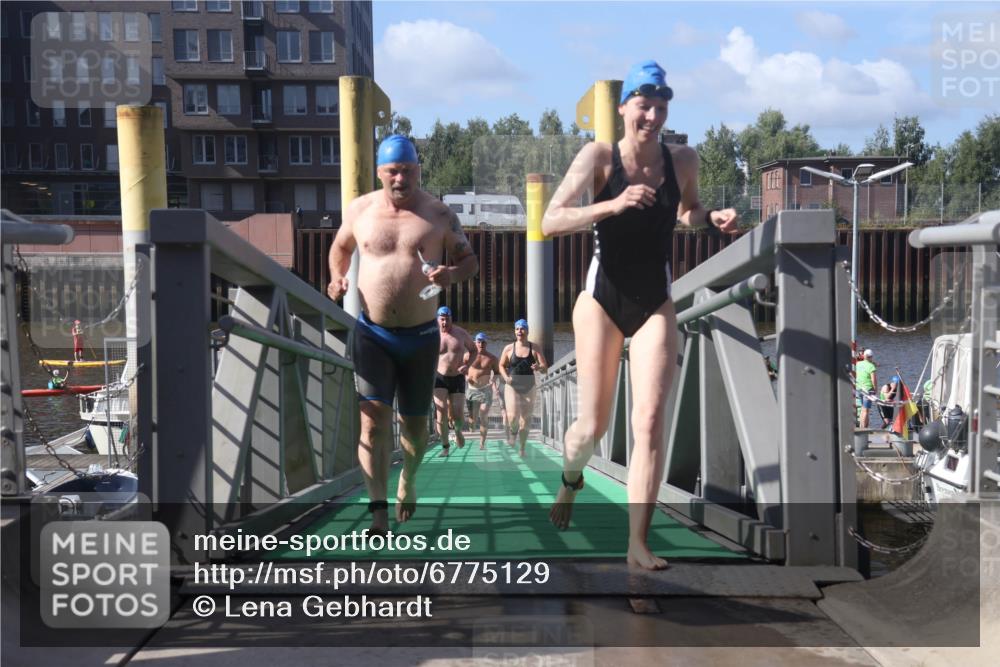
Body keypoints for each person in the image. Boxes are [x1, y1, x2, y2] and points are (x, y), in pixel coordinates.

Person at [540, 60, 740, 570]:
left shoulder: (683, 159)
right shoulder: (599, 157)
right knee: (591, 426)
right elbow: (550, 219)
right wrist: (612, 204)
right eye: (644, 106)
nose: (652, 117)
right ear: (624, 107)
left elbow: (686, 210)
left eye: (661, 108)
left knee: (649, 420)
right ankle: (570, 480)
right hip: (601, 299)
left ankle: (637, 542)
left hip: (655, 301)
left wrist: (710, 217)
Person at [327, 135, 478, 534]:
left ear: (418, 171)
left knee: (415, 431)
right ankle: (378, 511)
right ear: (379, 172)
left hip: (421, 338)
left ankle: (408, 479)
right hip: (372, 333)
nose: (401, 178)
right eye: (393, 171)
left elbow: (470, 262)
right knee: (372, 423)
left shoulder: (439, 215)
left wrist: (451, 274)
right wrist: (336, 278)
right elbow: (340, 248)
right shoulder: (360, 210)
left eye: (408, 171)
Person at [499, 319, 548, 456]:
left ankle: (522, 448)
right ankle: (513, 431)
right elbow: (501, 365)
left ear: (527, 331)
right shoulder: (509, 348)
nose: (519, 331)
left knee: (525, 419)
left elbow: (545, 368)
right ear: (515, 331)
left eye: (522, 328)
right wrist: (505, 377)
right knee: (512, 417)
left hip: (529, 386)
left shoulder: (535, 348)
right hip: (512, 385)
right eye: (517, 329)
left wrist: (539, 367)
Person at [433, 306, 477, 456]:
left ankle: (457, 431)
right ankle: (445, 446)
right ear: (438, 320)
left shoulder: (461, 333)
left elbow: (474, 350)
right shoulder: (432, 334)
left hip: (457, 377)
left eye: (447, 319)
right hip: (439, 377)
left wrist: (467, 365)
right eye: (442, 319)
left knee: (458, 416)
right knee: (441, 412)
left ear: (451, 319)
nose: (445, 323)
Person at [466, 332, 502, 450]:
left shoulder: (492, 358)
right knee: (472, 420)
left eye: (483, 342)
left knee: (484, 413)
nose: (481, 344)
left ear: (486, 343)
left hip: (486, 389)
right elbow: (460, 368)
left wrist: (493, 380)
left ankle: (482, 443)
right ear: (475, 342)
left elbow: (497, 372)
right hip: (472, 390)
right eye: (479, 342)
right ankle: (472, 425)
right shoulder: (467, 356)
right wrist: (466, 377)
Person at [855, 349, 878, 429]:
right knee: (866, 410)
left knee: (863, 409)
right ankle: (863, 429)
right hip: (868, 390)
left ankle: (861, 427)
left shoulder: (858, 364)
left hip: (859, 389)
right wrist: (875, 389)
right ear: (871, 357)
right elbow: (873, 379)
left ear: (864, 356)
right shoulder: (871, 366)